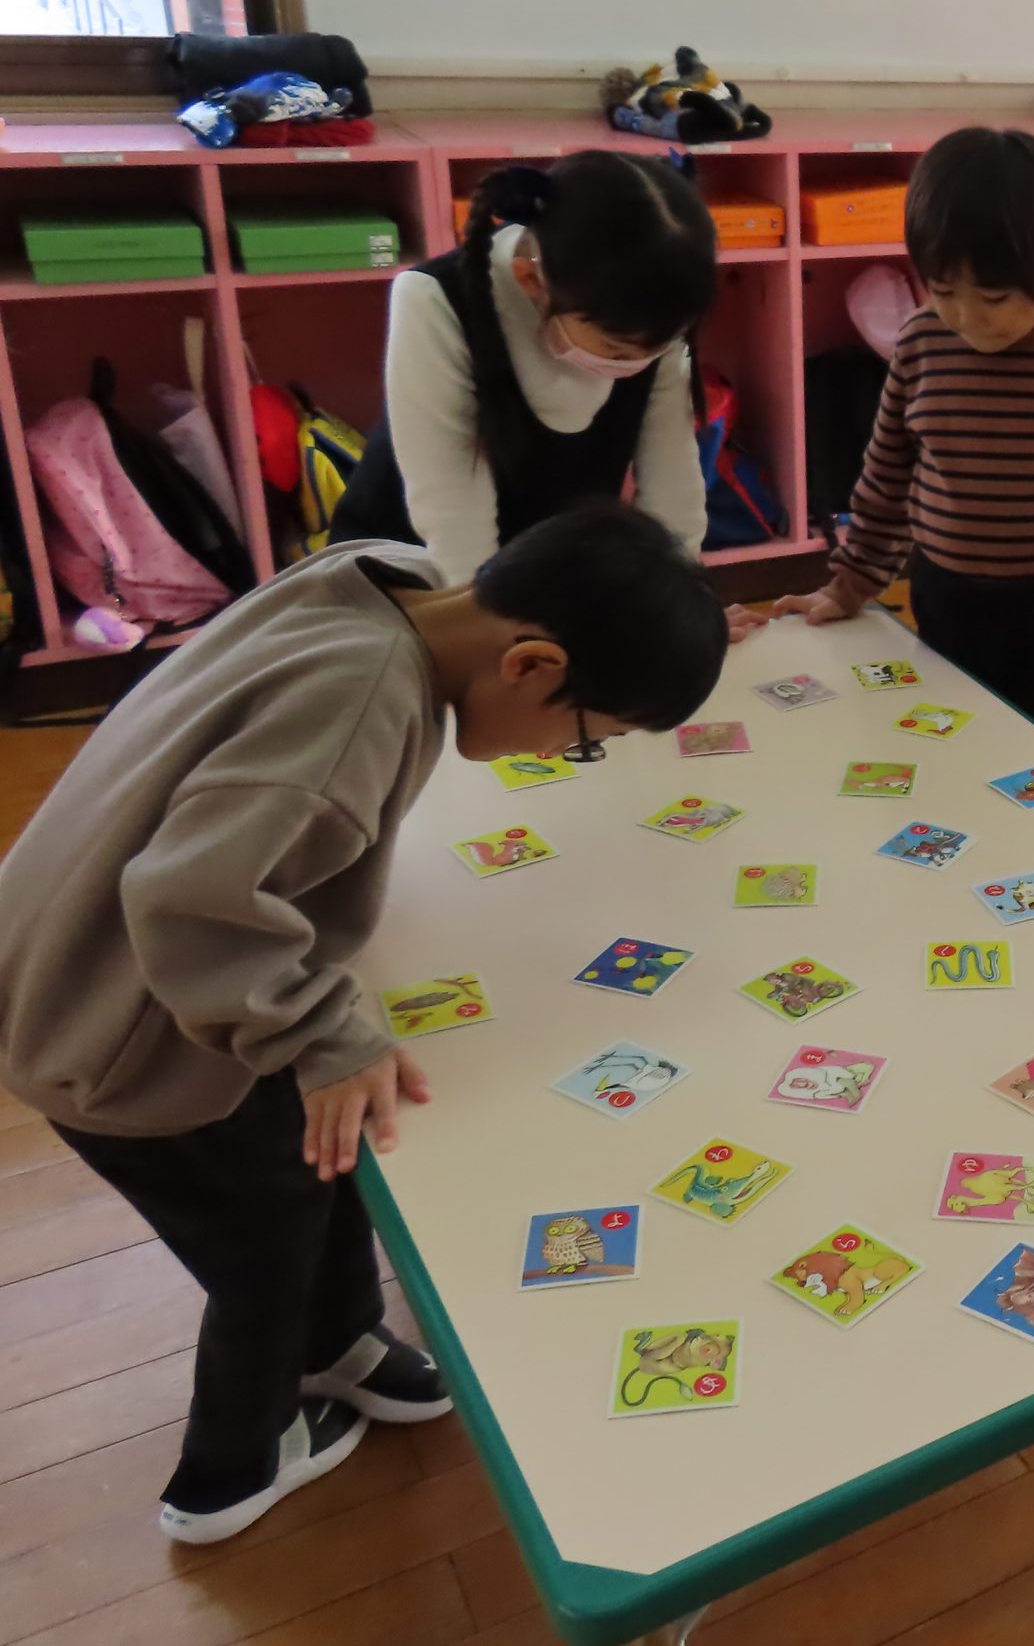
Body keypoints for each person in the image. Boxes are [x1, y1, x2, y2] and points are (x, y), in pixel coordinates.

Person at [0, 503, 727, 1544]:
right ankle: (232, 1468)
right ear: (530, 665)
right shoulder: (360, 702)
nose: (566, 756)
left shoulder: (386, 576)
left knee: (322, 1166)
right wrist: (325, 1033)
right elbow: (188, 902)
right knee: (262, 1251)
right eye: (587, 741)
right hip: (113, 1038)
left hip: (109, 970)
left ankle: (339, 1340)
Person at [776, 127, 1034, 760]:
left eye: (995, 298)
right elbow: (887, 474)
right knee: (952, 746)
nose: (967, 318)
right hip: (945, 596)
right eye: (944, 292)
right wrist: (850, 584)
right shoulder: (921, 342)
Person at [330, 150, 755, 636]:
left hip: (542, 576)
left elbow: (673, 486)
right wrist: (495, 638)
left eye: (656, 350)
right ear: (531, 280)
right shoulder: (434, 300)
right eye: (616, 351)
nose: (636, 366)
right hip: (416, 580)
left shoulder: (651, 310)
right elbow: (451, 511)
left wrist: (682, 613)